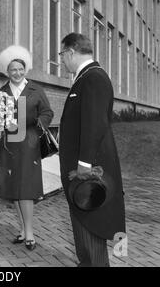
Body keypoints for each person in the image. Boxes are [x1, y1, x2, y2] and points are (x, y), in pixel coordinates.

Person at [59, 33, 126, 267]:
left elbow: (94, 124)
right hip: (83, 166)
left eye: (62, 55)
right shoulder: (86, 78)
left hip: (89, 168)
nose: (62, 61)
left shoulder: (93, 78)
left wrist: (84, 165)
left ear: (70, 52)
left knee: (90, 222)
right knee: (82, 224)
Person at [0, 45, 54, 251]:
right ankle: (22, 229)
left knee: (26, 188)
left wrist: (38, 128)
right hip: (9, 144)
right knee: (14, 189)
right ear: (7, 72)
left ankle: (29, 232)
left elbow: (47, 113)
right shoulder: (1, 93)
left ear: (25, 69)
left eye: (20, 69)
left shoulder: (36, 90)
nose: (17, 73)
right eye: (13, 70)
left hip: (29, 141)